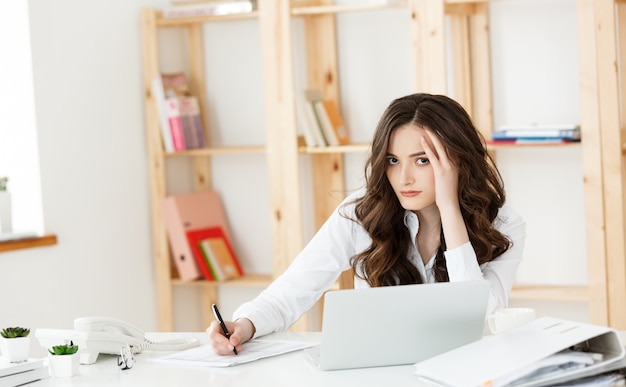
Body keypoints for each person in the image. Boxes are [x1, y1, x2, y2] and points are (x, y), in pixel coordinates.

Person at [208, 92, 526, 355]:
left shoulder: (504, 225)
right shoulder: (363, 212)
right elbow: (293, 290)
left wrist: (449, 210)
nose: (404, 178)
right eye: (392, 161)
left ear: (457, 159)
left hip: (462, 378)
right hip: (377, 379)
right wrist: (244, 325)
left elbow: (481, 321)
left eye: (422, 160)